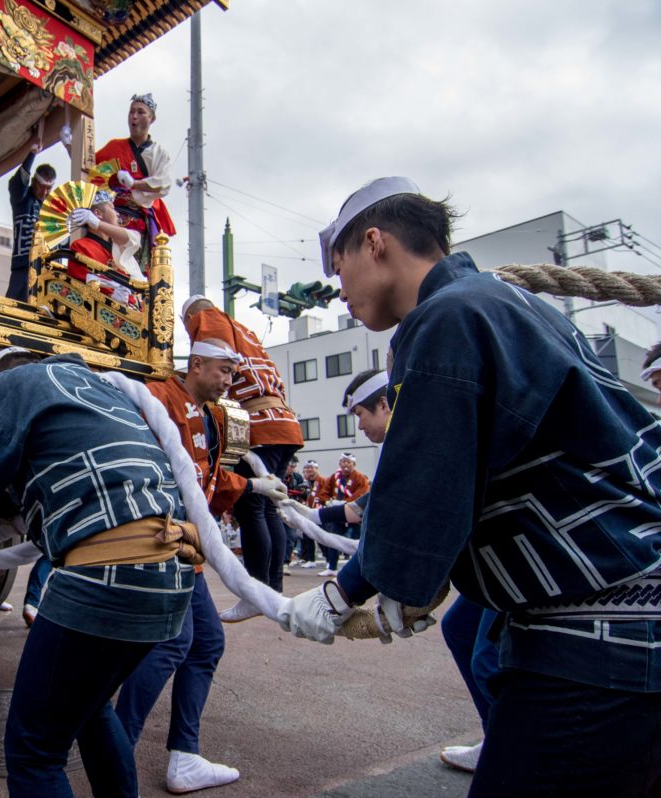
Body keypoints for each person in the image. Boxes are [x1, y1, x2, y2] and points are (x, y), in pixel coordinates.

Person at [253, 176, 661, 796]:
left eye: (340, 272)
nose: (341, 293)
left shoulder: (450, 317)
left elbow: (426, 484)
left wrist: (345, 593)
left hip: (597, 635)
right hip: (625, 618)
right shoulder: (500, 303)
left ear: (374, 243)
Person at [0, 347, 287, 798]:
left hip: (107, 573)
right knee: (92, 708)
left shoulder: (14, 387)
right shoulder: (108, 392)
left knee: (35, 748)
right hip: (173, 573)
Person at [114, 337, 282, 794]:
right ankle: (115, 749)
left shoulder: (210, 415)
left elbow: (205, 475)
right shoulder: (158, 395)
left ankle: (183, 754)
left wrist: (254, 488)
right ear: (197, 364)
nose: (229, 381)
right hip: (163, 537)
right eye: (223, 371)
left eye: (233, 373)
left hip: (188, 546)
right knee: (175, 644)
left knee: (205, 643)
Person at [182, 296, 302, 590]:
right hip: (284, 420)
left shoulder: (210, 320)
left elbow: (213, 366)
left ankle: (257, 589)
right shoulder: (244, 330)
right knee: (267, 507)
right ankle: (272, 587)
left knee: (252, 509)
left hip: (259, 421)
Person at [93, 94, 176, 248]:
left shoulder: (159, 153)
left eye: (140, 112)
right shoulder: (115, 146)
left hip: (139, 216)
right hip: (112, 214)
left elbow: (164, 184)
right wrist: (71, 146)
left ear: (151, 118)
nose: (134, 116)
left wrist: (134, 184)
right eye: (131, 112)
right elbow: (89, 167)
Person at [66, 190, 147, 307]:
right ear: (98, 213)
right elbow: (81, 289)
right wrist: (113, 298)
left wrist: (97, 223)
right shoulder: (81, 246)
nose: (117, 214)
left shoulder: (118, 246)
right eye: (112, 208)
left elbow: (134, 239)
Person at [7, 143, 55, 301]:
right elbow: (17, 185)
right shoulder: (23, 199)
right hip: (23, 264)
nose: (45, 192)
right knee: (13, 304)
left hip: (45, 268)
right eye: (42, 187)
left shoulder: (52, 208)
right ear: (34, 182)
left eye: (49, 188)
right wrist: (32, 155)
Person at [313, 453, 369, 576]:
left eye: (348, 462)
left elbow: (362, 494)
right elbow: (323, 492)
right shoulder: (334, 477)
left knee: (357, 541)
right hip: (337, 514)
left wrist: (346, 502)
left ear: (354, 464)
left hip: (354, 514)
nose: (345, 465)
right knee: (333, 539)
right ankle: (332, 567)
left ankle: (358, 568)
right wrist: (329, 501)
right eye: (343, 462)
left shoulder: (360, 478)